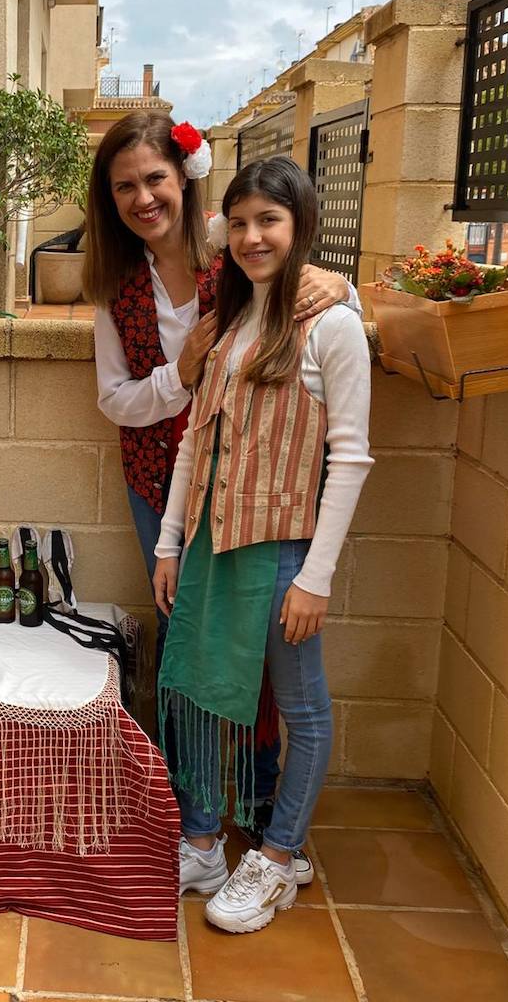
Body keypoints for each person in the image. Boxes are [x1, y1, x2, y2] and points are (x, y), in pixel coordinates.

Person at [82, 110, 355, 833]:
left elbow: (305, 290)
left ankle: (262, 794)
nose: (143, 199)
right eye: (124, 187)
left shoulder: (229, 247)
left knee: (259, 645)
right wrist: (182, 374)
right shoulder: (115, 287)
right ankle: (191, 803)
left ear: (185, 179)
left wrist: (344, 289)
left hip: (257, 481)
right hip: (161, 486)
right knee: (187, 638)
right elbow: (116, 398)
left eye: (155, 179)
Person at [152, 155, 373, 934]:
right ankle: (205, 842)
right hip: (213, 544)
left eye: (269, 222)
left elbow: (350, 457)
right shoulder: (231, 322)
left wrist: (316, 578)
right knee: (202, 696)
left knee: (300, 705)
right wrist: (168, 543)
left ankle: (277, 858)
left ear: (301, 226)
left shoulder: (333, 326)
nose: (249, 237)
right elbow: (191, 445)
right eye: (239, 221)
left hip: (282, 551)